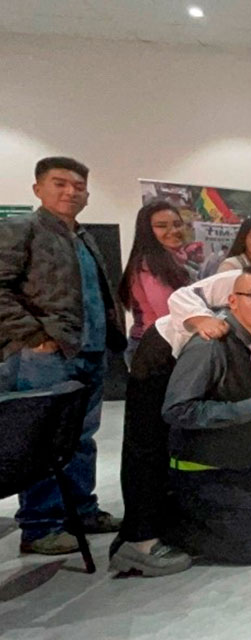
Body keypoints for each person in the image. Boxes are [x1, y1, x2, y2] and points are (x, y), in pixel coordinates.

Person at [0, 157, 126, 555]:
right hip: (45, 357)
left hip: (89, 351)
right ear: (38, 188)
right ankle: (41, 526)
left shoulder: (84, 237)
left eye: (78, 186)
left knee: (82, 438)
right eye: (60, 183)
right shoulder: (22, 229)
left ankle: (80, 511)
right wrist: (34, 336)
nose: (71, 191)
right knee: (42, 444)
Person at [161, 266, 251, 565]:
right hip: (202, 471)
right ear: (232, 301)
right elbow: (176, 409)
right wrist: (249, 409)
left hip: (240, 466)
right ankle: (165, 523)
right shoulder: (209, 346)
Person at [119, 200, 192, 366]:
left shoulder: (179, 260)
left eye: (177, 224)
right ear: (147, 232)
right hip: (155, 348)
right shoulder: (148, 265)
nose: (173, 231)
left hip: (170, 343)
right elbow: (167, 312)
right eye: (161, 226)